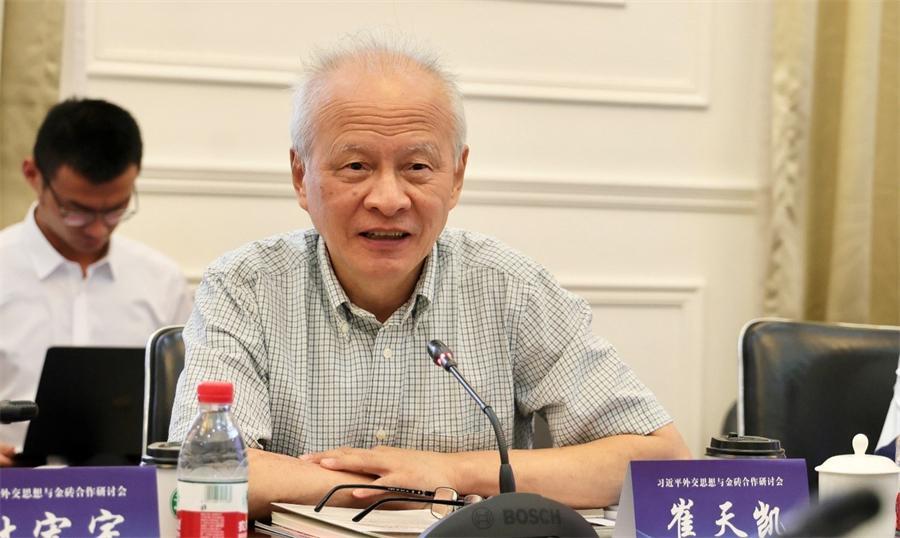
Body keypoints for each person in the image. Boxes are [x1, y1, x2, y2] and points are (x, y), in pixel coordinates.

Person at [168, 37, 691, 518]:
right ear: (301, 176)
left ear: (456, 176)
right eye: (355, 166)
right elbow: (202, 470)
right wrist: (398, 487)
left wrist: (450, 472)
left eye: (417, 167)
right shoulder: (244, 287)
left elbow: (659, 458)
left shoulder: (510, 288)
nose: (388, 199)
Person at [0, 98, 193, 465]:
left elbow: (187, 403)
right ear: (33, 175)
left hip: (130, 485)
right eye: (76, 211)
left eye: (115, 210)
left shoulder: (161, 281)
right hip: (11, 483)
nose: (97, 229)